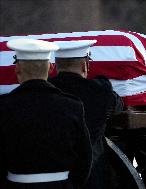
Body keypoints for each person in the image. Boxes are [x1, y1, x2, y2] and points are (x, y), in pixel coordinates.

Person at [0, 38, 92, 189]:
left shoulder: (3, 107)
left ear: (17, 69)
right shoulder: (72, 106)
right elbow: (84, 160)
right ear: (50, 68)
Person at [48, 40, 124, 189]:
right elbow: (119, 105)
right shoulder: (100, 91)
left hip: (53, 178)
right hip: (92, 178)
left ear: (55, 66)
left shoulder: (46, 89)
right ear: (85, 65)